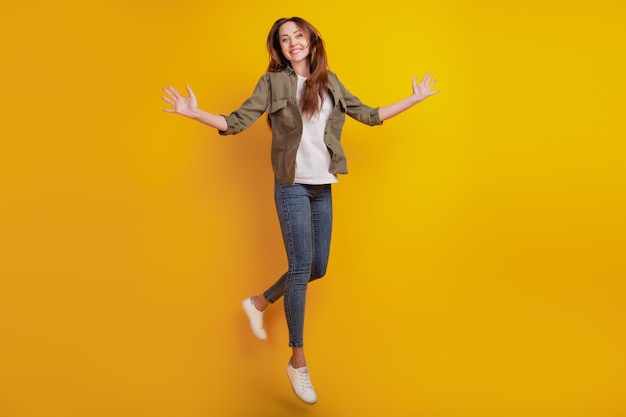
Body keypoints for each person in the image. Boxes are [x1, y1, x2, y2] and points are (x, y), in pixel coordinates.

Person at [161, 16, 439, 404]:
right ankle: (298, 360)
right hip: (290, 185)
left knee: (316, 267)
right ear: (279, 48)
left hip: (322, 186)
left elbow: (369, 115)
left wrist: (414, 98)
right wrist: (194, 113)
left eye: (298, 36)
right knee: (302, 265)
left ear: (311, 40)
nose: (293, 43)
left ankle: (259, 302)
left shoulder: (330, 81)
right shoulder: (272, 83)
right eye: (284, 39)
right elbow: (236, 121)